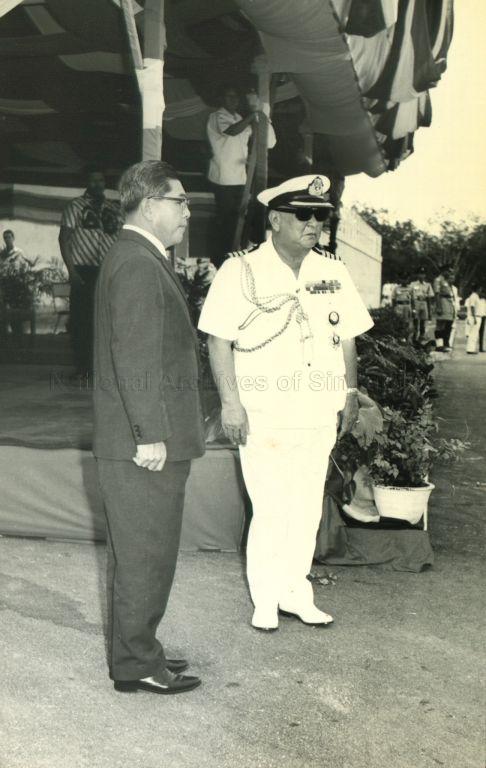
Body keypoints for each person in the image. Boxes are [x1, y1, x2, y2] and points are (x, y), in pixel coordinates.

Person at [198, 175, 373, 631]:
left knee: (306, 505)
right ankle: (266, 598)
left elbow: (348, 339)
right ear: (275, 219)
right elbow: (218, 342)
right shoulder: (241, 271)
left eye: (321, 215)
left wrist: (350, 394)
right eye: (304, 214)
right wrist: (230, 404)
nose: (314, 223)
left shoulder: (331, 270)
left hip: (318, 411)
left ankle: (297, 592)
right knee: (271, 505)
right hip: (265, 412)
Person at [93, 160, 205, 695]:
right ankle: (136, 665)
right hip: (143, 442)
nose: (187, 211)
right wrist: (149, 434)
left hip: (143, 436)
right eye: (180, 201)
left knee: (145, 551)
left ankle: (141, 651)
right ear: (149, 204)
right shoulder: (138, 263)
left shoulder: (137, 257)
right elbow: (135, 356)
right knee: (144, 553)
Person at [59, 169, 122, 377]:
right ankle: (83, 368)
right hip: (83, 271)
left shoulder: (113, 208)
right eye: (93, 180)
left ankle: (103, 367)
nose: (97, 183)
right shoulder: (75, 206)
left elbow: (121, 240)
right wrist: (72, 271)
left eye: (101, 179)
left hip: (108, 271)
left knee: (106, 320)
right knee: (82, 320)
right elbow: (64, 239)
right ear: (86, 182)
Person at [207, 86, 276, 265]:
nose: (233, 100)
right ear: (222, 99)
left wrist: (263, 117)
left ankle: (235, 254)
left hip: (239, 177)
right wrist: (252, 117)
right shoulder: (216, 117)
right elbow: (231, 131)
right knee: (225, 219)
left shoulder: (239, 118)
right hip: (223, 178)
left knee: (239, 218)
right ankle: (220, 258)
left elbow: (269, 142)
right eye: (229, 96)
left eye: (236, 97)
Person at [433, 264, 456, 352]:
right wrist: (438, 307)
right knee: (440, 325)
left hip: (448, 304)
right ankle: (439, 345)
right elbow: (437, 294)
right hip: (442, 303)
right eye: (448, 271)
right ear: (444, 271)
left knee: (446, 325)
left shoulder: (446, 281)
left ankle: (445, 344)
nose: (450, 273)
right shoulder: (438, 280)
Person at [409, 268, 434, 342]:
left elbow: (430, 297)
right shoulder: (413, 284)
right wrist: (412, 307)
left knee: (423, 321)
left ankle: (421, 337)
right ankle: (414, 337)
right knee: (415, 321)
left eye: (423, 274)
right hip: (416, 302)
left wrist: (430, 311)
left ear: (425, 275)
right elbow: (410, 296)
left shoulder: (427, 285)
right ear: (417, 275)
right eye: (420, 274)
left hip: (424, 303)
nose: (421, 276)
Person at [392, 274, 413, 340]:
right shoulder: (396, 288)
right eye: (403, 279)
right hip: (399, 306)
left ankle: (407, 339)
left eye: (406, 279)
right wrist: (394, 308)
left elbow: (413, 299)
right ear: (400, 280)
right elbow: (393, 299)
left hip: (407, 306)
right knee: (399, 322)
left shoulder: (410, 288)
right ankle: (399, 338)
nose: (404, 281)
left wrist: (414, 309)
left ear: (408, 279)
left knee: (407, 323)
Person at [465, 285, 481, 354]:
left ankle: (471, 348)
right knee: (473, 334)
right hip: (474, 316)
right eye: (480, 289)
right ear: (477, 289)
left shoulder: (475, 296)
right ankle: (470, 349)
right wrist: (474, 317)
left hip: (475, 316)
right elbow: (472, 307)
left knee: (474, 333)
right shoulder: (474, 296)